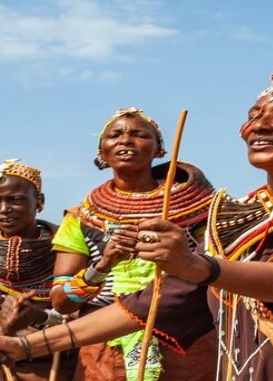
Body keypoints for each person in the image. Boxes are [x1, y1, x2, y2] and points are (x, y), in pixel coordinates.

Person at [0, 59, 273, 381]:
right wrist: (27, 346)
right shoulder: (238, 217)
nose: (260, 125)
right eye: (255, 116)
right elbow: (158, 301)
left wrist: (202, 267)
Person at [48, 108, 216, 381]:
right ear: (101, 153)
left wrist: (178, 255)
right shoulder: (81, 217)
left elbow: (220, 270)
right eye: (115, 135)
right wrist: (103, 265)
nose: (126, 140)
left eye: (139, 134)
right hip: (104, 340)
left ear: (160, 150)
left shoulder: (196, 208)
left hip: (185, 337)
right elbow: (62, 303)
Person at [0, 159, 77, 381]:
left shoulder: (69, 247)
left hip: (55, 362)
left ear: (39, 202)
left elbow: (89, 309)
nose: (4, 210)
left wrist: (41, 317)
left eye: (15, 200)